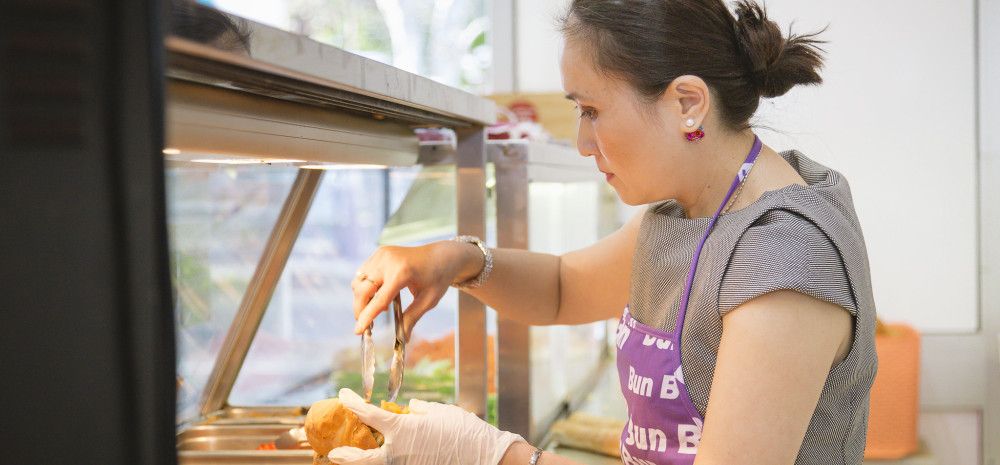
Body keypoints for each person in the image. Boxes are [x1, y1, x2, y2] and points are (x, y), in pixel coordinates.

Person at [329, 0, 877, 464]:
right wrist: (455, 261)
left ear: (687, 103)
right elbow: (565, 287)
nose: (582, 142)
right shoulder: (691, 211)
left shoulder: (783, 259)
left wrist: (495, 455)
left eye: (591, 110)